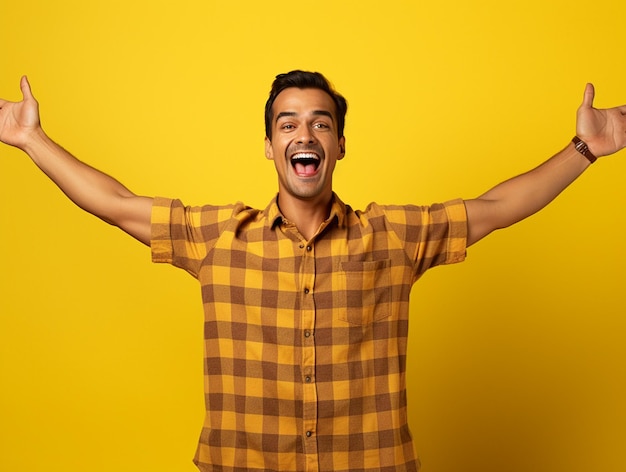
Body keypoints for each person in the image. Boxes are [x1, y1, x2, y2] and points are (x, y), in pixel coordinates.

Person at [0, 70, 625, 472]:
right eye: (289, 122)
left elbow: (496, 208)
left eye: (322, 122)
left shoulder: (392, 237)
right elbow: (113, 203)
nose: (306, 133)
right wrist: (33, 141)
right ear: (271, 146)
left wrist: (584, 151)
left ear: (340, 145)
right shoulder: (220, 237)